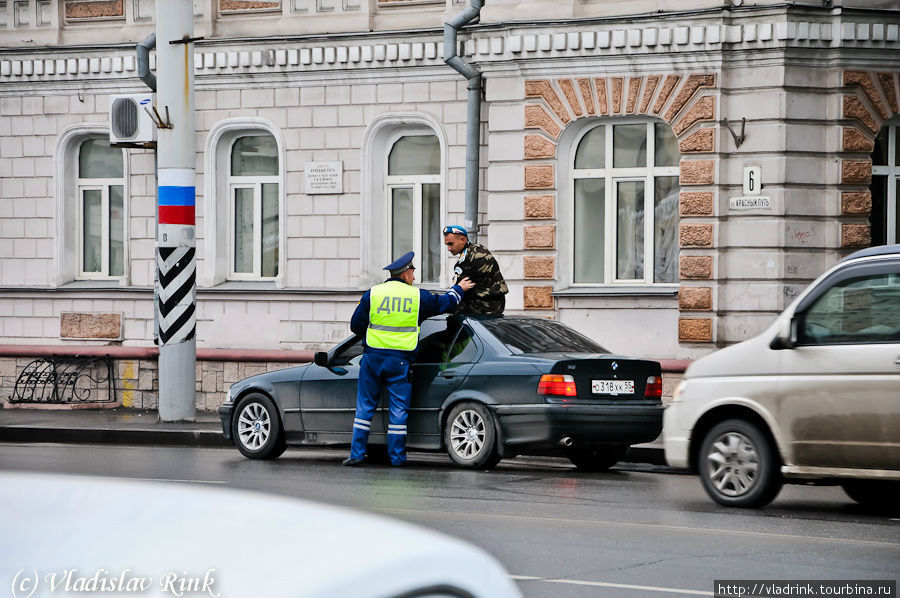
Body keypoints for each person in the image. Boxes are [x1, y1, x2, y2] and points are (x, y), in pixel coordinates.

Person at [343, 251, 474, 467]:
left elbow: (356, 326)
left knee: (364, 407)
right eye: (412, 272)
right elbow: (445, 304)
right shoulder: (417, 297)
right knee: (398, 411)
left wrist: (374, 339)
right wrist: (460, 288)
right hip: (400, 361)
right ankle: (397, 458)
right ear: (404, 274)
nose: (414, 277)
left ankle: (356, 455)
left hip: (373, 358)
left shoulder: (372, 294)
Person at [443, 225, 508, 315]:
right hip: (497, 304)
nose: (448, 248)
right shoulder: (478, 249)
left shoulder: (467, 259)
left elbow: (459, 289)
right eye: (447, 245)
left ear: (462, 239)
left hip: (482, 307)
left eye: (451, 244)